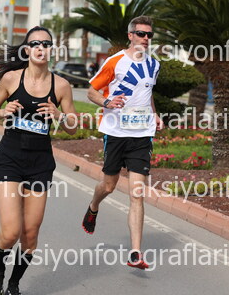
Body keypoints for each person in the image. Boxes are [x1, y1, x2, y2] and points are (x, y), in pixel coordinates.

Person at [0, 26, 77, 295]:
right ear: (26, 49)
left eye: (45, 44)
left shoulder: (61, 85)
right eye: (35, 43)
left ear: (51, 50)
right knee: (10, 232)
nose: (40, 48)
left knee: (30, 235)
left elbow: (73, 126)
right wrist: (3, 112)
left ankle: (13, 285)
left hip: (40, 163)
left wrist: (59, 116)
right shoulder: (11, 79)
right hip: (9, 158)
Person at [81, 16, 163, 270]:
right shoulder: (114, 62)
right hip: (116, 132)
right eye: (141, 34)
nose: (145, 38)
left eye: (149, 35)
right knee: (109, 185)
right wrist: (107, 102)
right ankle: (93, 206)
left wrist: (154, 114)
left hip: (142, 135)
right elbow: (92, 91)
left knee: (137, 193)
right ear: (130, 35)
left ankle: (135, 253)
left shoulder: (154, 64)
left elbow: (146, 93)